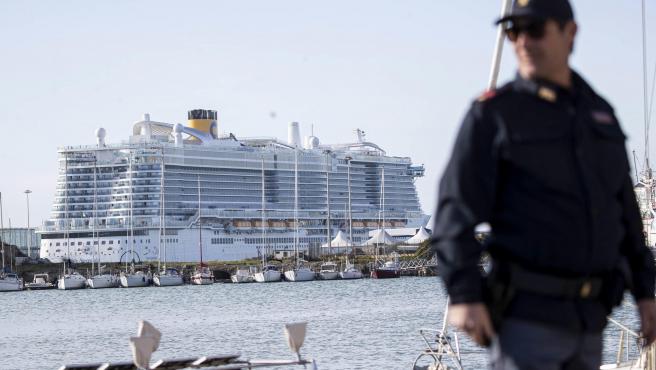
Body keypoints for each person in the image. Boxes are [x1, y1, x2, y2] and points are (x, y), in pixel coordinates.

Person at [431, 0, 656, 369]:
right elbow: (454, 212)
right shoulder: (494, 115)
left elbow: (626, 215)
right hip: (526, 320)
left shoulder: (599, 115)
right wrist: (464, 294)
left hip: (590, 320)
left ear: (570, 34)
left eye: (534, 29)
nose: (522, 41)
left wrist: (646, 293)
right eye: (512, 31)